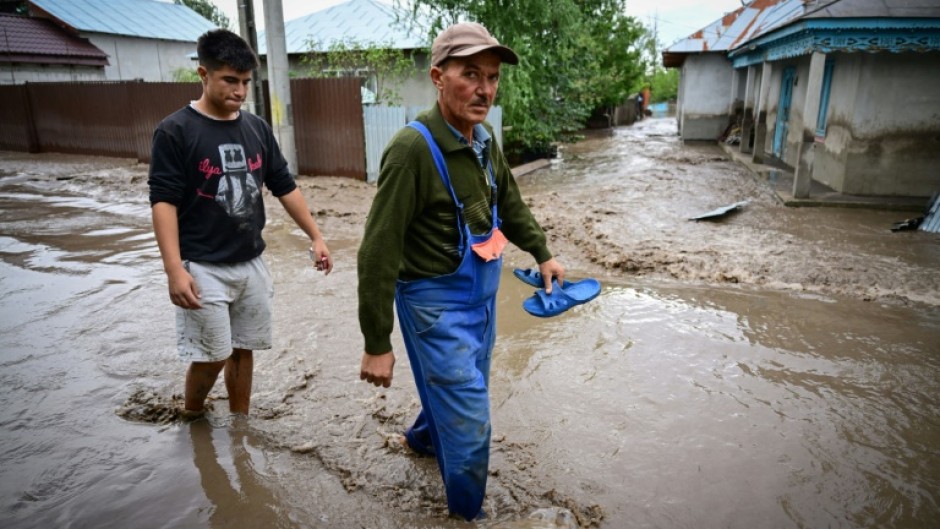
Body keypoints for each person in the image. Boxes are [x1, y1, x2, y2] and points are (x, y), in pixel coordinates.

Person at [357, 22, 565, 520]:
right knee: (471, 424)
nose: (485, 89)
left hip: (483, 300)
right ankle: (466, 516)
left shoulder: (484, 139)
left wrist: (543, 252)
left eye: (492, 77)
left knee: (465, 386)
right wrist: (376, 342)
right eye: (471, 74)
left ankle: (422, 442)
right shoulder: (412, 150)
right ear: (437, 76)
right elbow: (377, 252)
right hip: (433, 307)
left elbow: (509, 205)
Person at [148, 29, 332, 418]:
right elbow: (163, 201)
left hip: (250, 262)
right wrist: (173, 270)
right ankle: (193, 414)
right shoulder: (175, 130)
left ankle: (239, 425)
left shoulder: (257, 129)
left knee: (243, 349)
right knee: (212, 355)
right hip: (201, 265)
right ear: (204, 74)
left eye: (246, 82)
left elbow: (283, 186)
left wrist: (316, 235)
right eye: (230, 80)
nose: (240, 91)